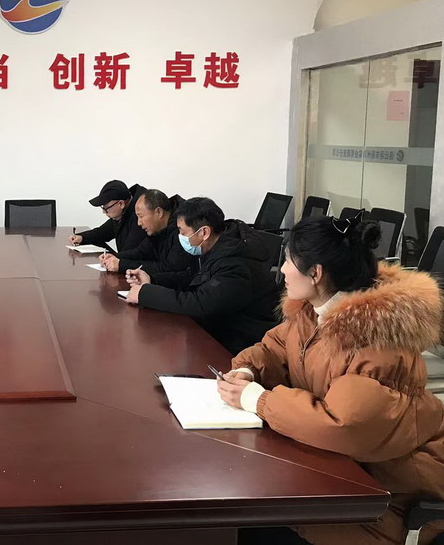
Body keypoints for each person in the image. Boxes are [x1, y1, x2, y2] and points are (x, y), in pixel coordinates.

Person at [218, 213, 444, 545]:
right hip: (344, 470)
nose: (282, 270)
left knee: (250, 517)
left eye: (288, 261)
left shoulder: (375, 338)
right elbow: (276, 347)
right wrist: (248, 369)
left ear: (316, 273)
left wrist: (258, 400)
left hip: (391, 495)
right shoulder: (314, 311)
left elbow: (344, 424)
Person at [125, 197, 279, 354]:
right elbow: (193, 277)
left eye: (182, 232)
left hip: (240, 345)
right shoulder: (215, 246)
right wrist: (152, 280)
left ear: (204, 232)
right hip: (218, 331)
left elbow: (202, 304)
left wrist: (146, 294)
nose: (180, 237)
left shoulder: (236, 263)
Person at [99, 189, 195, 282]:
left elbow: (168, 268)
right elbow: (141, 252)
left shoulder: (182, 230)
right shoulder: (156, 229)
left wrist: (122, 265)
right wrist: (113, 257)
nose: (139, 223)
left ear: (159, 212)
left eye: (141, 216)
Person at [69, 180, 147, 254]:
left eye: (106, 208)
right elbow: (104, 232)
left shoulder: (139, 217)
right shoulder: (123, 211)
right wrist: (82, 237)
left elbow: (130, 252)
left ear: (121, 204)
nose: (104, 212)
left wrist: (112, 259)